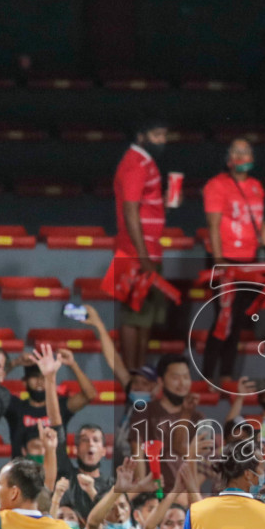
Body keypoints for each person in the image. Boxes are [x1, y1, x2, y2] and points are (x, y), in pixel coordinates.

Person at [200, 138, 265, 388]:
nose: (242, 156)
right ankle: (209, 373)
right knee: (223, 318)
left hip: (250, 261)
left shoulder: (256, 186)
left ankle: (226, 375)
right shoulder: (216, 185)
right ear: (228, 158)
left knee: (237, 319)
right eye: (237, 152)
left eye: (246, 151)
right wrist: (219, 259)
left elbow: (260, 222)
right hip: (226, 260)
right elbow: (213, 224)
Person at [109, 119, 170, 372]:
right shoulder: (135, 163)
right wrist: (143, 257)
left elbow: (145, 206)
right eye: (157, 134)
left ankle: (140, 370)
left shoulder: (146, 162)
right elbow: (130, 210)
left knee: (145, 317)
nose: (162, 141)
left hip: (148, 250)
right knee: (133, 317)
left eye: (164, 135)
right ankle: (132, 373)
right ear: (141, 135)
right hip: (135, 253)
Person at [4, 347, 96, 475]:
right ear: (24, 382)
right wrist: (15, 363)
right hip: (21, 476)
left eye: (43, 377)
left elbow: (89, 394)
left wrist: (72, 364)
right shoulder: (15, 407)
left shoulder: (60, 406)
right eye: (35, 377)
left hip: (57, 476)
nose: (40, 382)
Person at [125, 354, 205, 491]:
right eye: (175, 378)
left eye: (186, 377)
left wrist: (187, 494)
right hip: (155, 494)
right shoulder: (144, 413)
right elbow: (137, 455)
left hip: (185, 496)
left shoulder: (197, 418)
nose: (182, 383)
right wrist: (144, 491)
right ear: (161, 381)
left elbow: (203, 465)